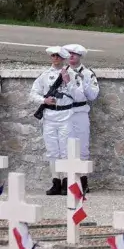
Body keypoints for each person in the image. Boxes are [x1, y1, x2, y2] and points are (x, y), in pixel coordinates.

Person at [31, 46, 82, 196]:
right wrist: (43, 100)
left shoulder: (72, 74)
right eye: (53, 56)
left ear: (64, 58)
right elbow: (33, 92)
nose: (55, 58)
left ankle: (67, 181)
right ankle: (55, 181)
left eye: (58, 56)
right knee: (52, 150)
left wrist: (68, 82)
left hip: (66, 114)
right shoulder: (45, 75)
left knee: (66, 150)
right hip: (49, 116)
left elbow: (79, 96)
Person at [63, 44, 98, 193]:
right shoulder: (62, 72)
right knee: (66, 148)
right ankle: (67, 180)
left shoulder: (88, 74)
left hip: (81, 111)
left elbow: (93, 96)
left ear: (80, 56)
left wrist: (83, 83)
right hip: (64, 113)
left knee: (83, 147)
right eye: (69, 53)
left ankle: (83, 180)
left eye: (75, 54)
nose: (71, 56)